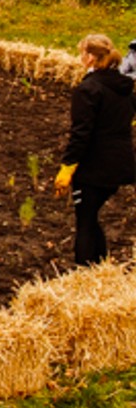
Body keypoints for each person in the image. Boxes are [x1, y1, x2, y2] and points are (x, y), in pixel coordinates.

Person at [58, 34, 134, 267]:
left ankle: (83, 271)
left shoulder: (88, 89)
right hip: (120, 163)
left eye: (82, 53)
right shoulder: (125, 87)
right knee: (91, 216)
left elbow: (81, 133)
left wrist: (68, 166)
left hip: (94, 165)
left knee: (85, 220)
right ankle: (100, 268)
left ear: (90, 58)